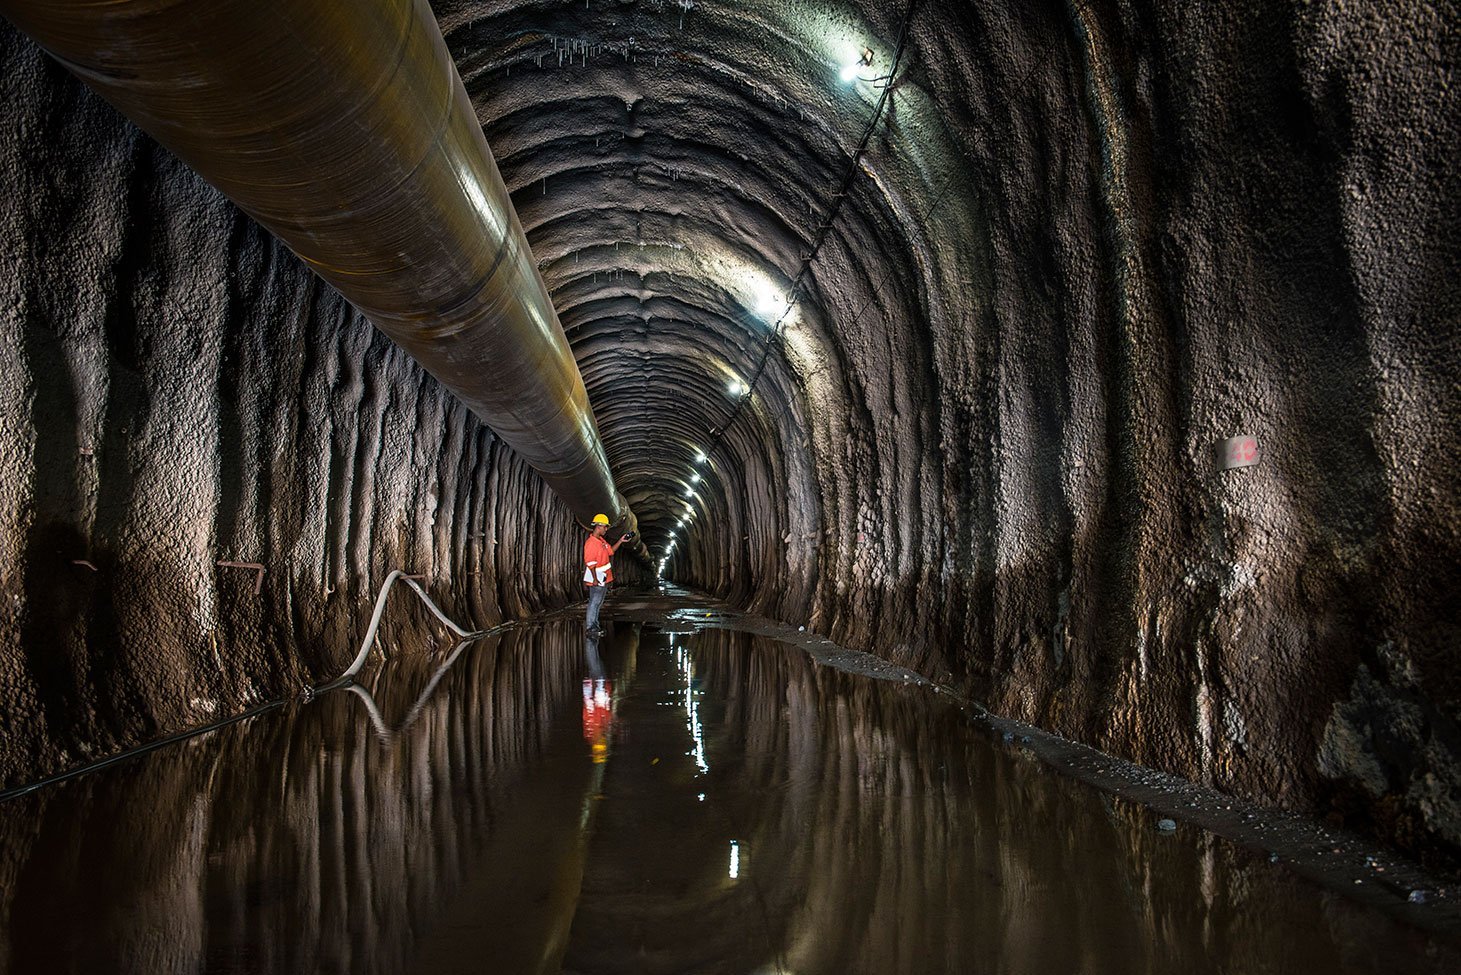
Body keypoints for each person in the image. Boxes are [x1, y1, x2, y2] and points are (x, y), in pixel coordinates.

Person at [583, 513, 633, 633]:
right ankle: (590, 628)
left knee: (598, 603)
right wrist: (595, 579)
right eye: (605, 526)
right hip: (597, 578)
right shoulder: (591, 543)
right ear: (599, 526)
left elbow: (611, 552)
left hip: (603, 578)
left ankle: (595, 626)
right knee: (594, 603)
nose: (606, 529)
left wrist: (621, 540)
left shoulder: (601, 541)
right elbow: (590, 563)